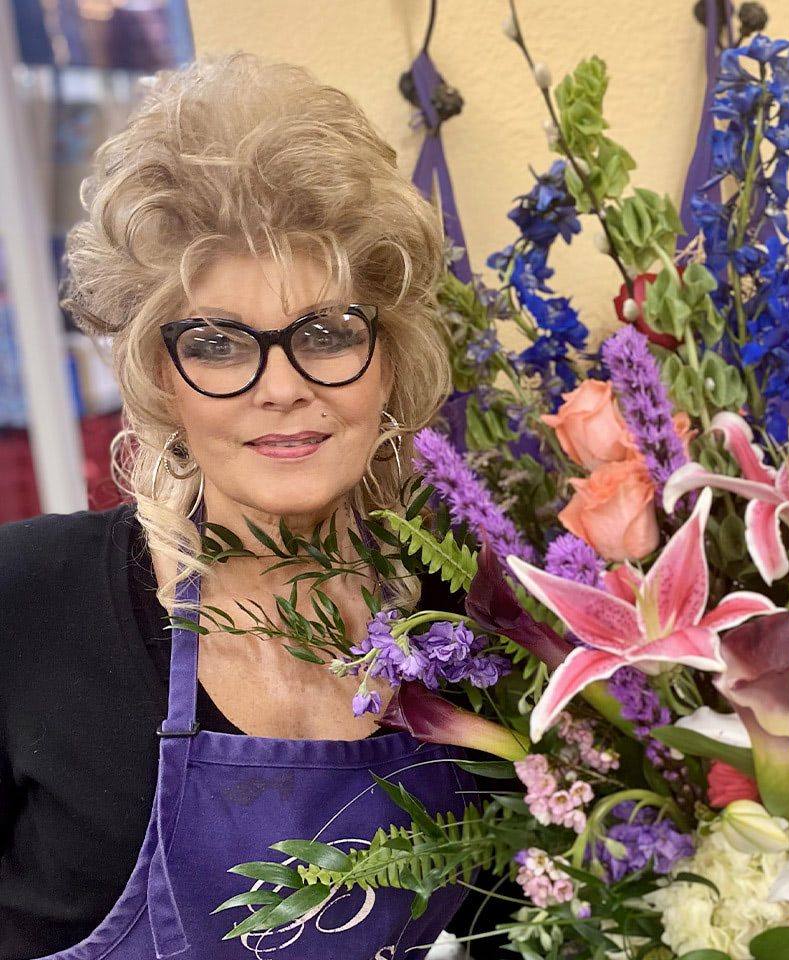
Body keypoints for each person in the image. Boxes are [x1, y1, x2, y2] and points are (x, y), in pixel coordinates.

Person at [0, 54, 479, 959]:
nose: (282, 387)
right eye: (219, 344)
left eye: (328, 333)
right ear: (156, 374)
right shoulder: (27, 605)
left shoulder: (465, 621)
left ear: (391, 358)